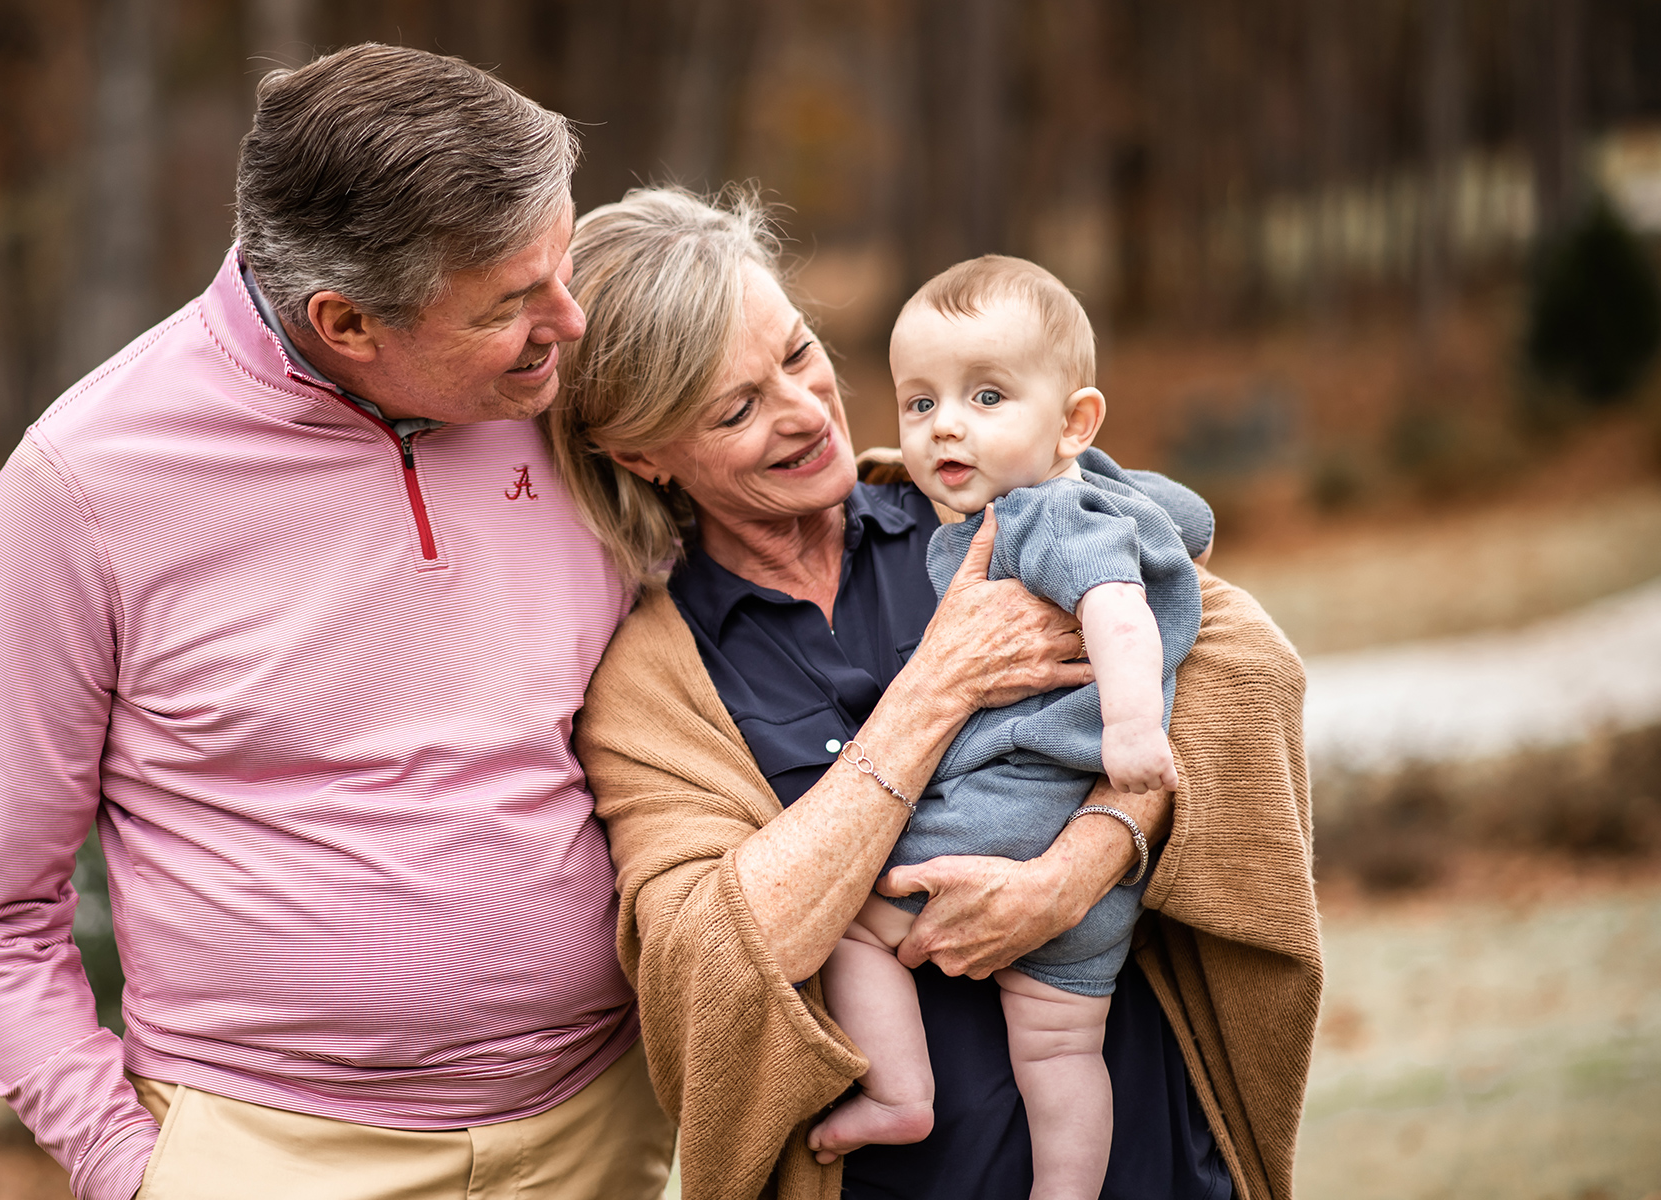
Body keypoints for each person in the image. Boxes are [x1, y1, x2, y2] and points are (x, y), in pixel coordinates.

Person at [0, 46, 674, 1200]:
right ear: (347, 322)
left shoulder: (568, 396)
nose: (567, 324)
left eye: (560, 264)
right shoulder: (86, 484)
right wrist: (130, 1170)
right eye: (512, 303)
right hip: (273, 1156)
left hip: (603, 1125)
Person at [544, 187, 1322, 1200]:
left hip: (1141, 1153)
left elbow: (1238, 676)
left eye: (795, 353)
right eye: (735, 409)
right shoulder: (655, 685)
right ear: (639, 453)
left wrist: (1076, 870)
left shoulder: (980, 510)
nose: (801, 412)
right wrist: (933, 689)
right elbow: (710, 959)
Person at [812, 254, 1211, 1199]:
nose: (946, 424)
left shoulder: (1041, 516)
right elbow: (1188, 528)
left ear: (1074, 422)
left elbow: (1116, 610)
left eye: (987, 396)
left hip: (1001, 812)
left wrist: (1129, 733)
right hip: (1094, 879)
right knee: (1065, 1049)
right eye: (920, 403)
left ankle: (899, 1092)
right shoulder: (1125, 499)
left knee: (839, 922)